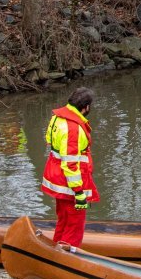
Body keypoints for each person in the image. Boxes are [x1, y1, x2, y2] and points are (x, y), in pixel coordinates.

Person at [41, 87, 98, 249]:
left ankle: (54, 251)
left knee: (63, 220)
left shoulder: (57, 118)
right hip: (70, 185)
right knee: (74, 225)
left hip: (57, 178)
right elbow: (71, 163)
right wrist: (79, 192)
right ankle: (66, 258)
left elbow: (50, 142)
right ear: (85, 107)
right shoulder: (74, 128)